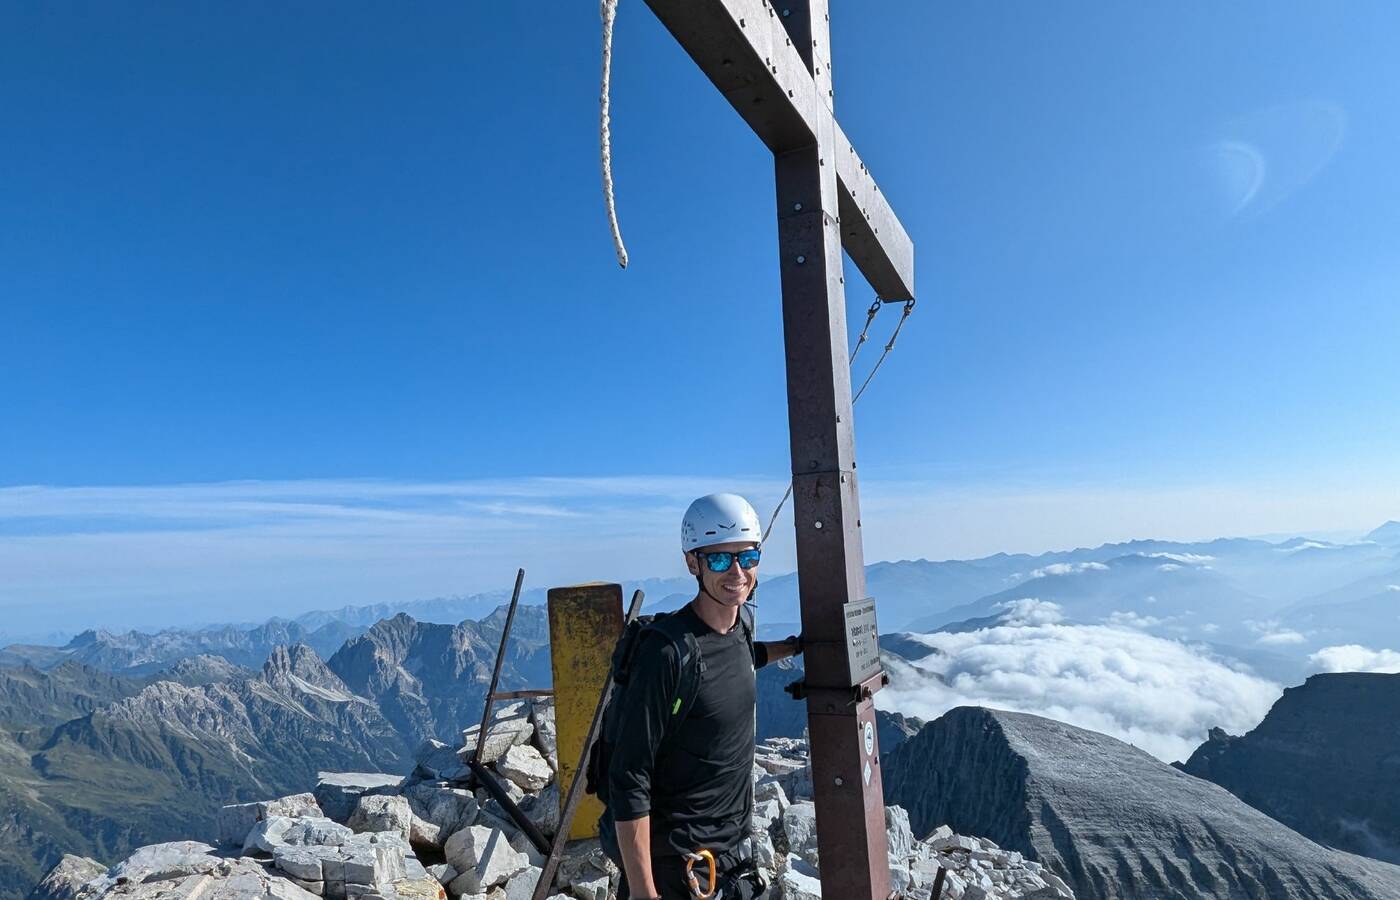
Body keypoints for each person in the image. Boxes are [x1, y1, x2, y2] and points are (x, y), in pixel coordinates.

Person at [604, 493, 802, 900]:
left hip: (730, 857)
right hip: (678, 869)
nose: (736, 572)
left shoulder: (742, 625)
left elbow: (741, 659)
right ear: (692, 562)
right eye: (718, 559)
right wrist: (644, 892)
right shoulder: (667, 654)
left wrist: (796, 646)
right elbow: (629, 777)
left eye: (747, 557)